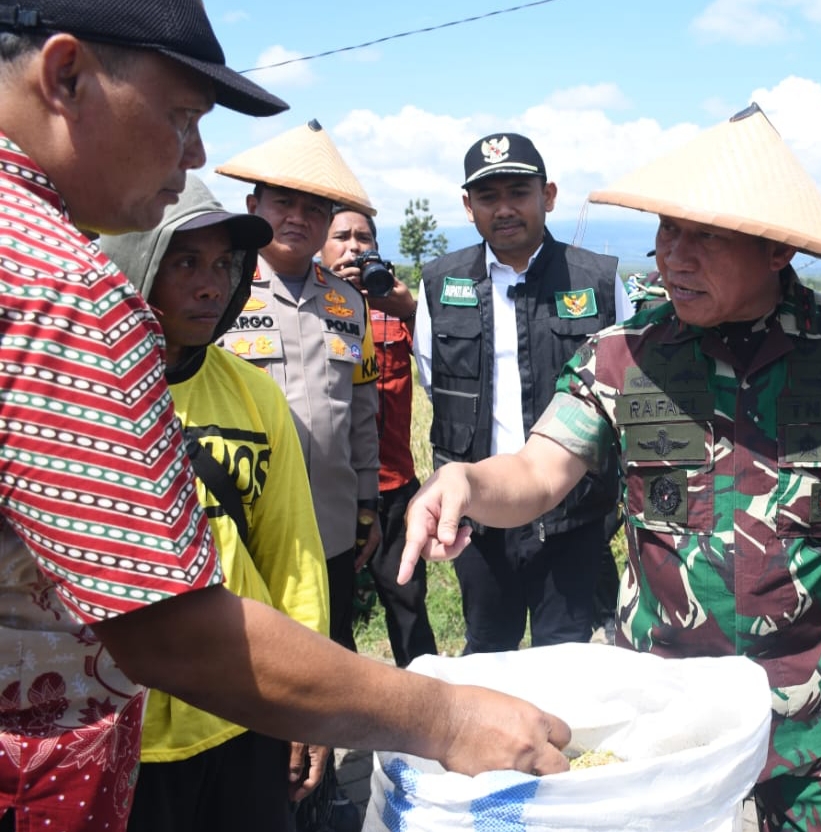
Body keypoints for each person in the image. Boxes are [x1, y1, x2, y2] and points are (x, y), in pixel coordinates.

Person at [0, 3, 568, 831]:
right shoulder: (58, 286)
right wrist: (445, 718)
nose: (198, 154)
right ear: (65, 76)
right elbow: (168, 630)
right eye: (184, 117)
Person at [403, 104, 821, 831]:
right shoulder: (624, 354)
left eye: (705, 237)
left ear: (776, 250)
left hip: (820, 718)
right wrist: (465, 482)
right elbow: (538, 472)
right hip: (665, 719)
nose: (672, 257)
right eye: (666, 231)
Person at [99, 174, 331, 831]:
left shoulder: (255, 396)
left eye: (227, 264)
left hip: (242, 705)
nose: (212, 284)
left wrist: (305, 702)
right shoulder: (88, 395)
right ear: (134, 263)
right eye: (186, 263)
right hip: (118, 722)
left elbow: (293, 559)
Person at [412, 132, 631, 653]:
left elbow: (625, 385)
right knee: (488, 649)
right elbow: (431, 378)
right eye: (489, 197)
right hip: (480, 514)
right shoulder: (440, 283)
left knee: (565, 652)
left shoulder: (597, 280)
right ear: (469, 207)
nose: (504, 208)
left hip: (573, 512)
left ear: (547, 196)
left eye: (519, 192)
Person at [215, 120, 382, 657]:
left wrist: (367, 504)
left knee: (331, 655)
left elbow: (361, 412)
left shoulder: (348, 303)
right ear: (252, 204)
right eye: (284, 202)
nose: (298, 218)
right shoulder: (217, 291)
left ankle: (323, 746)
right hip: (245, 526)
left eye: (315, 210)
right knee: (250, 663)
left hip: (330, 525)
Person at [321, 207, 437, 665]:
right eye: (341, 236)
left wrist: (409, 309)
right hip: (330, 492)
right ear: (320, 245)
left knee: (408, 605)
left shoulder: (392, 309)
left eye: (364, 237)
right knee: (333, 617)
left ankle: (426, 713)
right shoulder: (303, 307)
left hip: (393, 490)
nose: (354, 247)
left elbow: (442, 363)